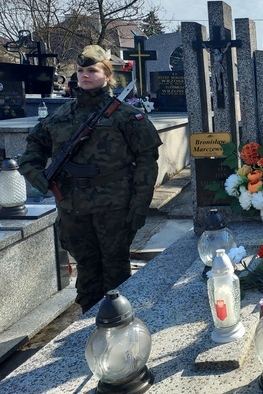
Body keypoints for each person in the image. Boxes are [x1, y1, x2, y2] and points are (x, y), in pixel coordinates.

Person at [19, 45, 163, 313]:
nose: (84, 76)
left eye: (92, 70)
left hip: (114, 206)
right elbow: (31, 150)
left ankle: (120, 326)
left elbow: (146, 160)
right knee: (86, 272)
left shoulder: (126, 116)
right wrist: (38, 177)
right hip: (73, 208)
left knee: (116, 271)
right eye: (81, 70)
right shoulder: (60, 116)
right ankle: (87, 328)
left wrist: (140, 204)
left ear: (107, 76)